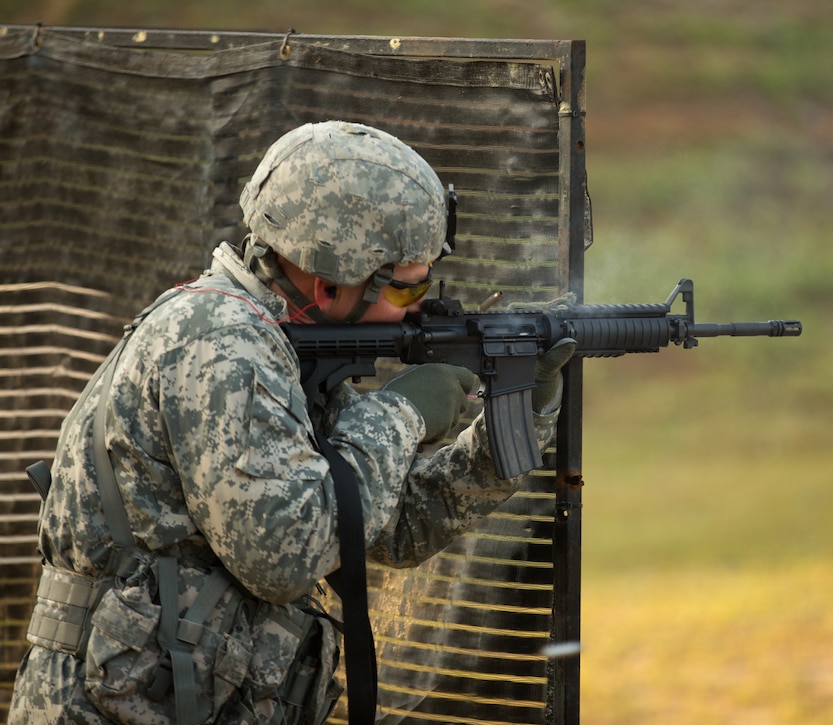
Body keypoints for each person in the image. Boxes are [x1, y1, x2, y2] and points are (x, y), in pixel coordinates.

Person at [9, 121, 575, 724]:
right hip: (117, 704)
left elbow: (389, 526)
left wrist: (518, 415)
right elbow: (287, 555)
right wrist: (404, 411)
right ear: (329, 280)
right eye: (410, 291)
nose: (423, 306)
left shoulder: (280, 347)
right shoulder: (219, 346)